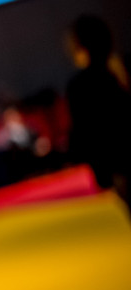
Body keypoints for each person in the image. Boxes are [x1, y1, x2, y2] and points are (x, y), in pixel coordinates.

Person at [65, 14, 131, 205]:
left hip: (119, 168)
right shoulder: (123, 68)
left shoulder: (81, 85)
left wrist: (100, 175)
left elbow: (84, 134)